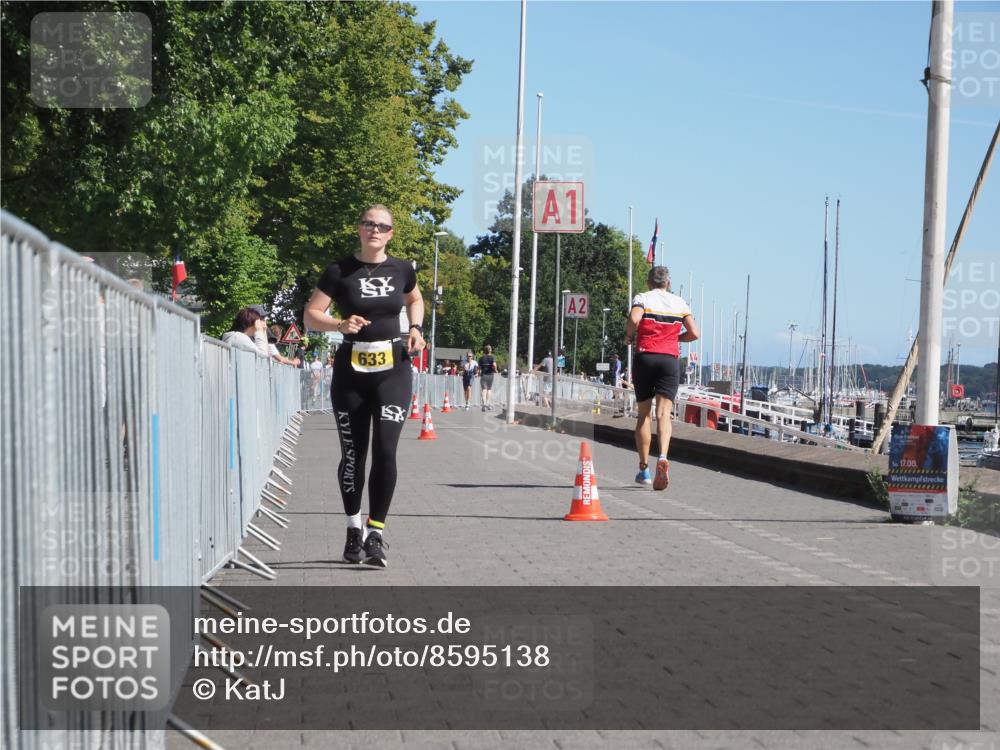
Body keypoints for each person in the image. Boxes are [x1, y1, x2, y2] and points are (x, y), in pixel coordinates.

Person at [303, 204, 425, 567]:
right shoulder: (339, 271)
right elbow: (311, 315)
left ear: (391, 233)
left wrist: (416, 329)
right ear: (359, 229)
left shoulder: (402, 269)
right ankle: (353, 529)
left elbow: (415, 298)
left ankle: (376, 534)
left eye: (382, 226)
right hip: (351, 372)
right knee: (354, 454)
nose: (375, 229)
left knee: (386, 451)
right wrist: (338, 325)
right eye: (369, 223)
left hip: (394, 369)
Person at [625, 265, 699, 490]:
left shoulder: (642, 298)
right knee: (664, 414)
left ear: (649, 283)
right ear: (667, 283)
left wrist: (629, 336)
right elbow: (694, 333)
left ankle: (644, 469)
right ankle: (664, 456)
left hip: (646, 357)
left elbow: (635, 319)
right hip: (669, 359)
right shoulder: (680, 303)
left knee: (644, 416)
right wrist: (677, 340)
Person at [477, 345, 498, 411]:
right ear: (490, 350)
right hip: (490, 375)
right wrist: (495, 370)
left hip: (483, 375)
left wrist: (478, 373)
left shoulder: (481, 358)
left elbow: (479, 368)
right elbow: (494, 365)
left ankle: (484, 404)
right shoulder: (492, 357)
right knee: (489, 389)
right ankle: (488, 403)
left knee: (484, 389)